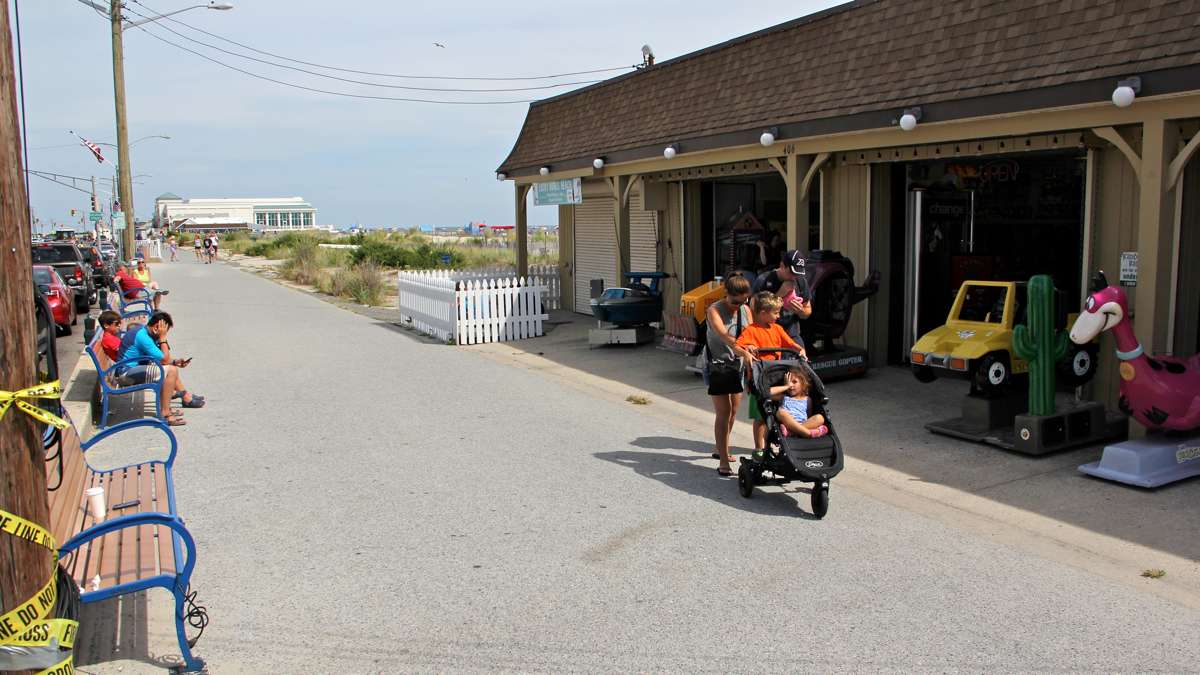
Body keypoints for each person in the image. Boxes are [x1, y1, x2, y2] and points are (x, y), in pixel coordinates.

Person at [736, 292, 807, 453]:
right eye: (775, 312)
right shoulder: (751, 331)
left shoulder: (777, 329)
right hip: (758, 379)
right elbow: (740, 346)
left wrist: (800, 350)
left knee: (777, 414)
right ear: (762, 313)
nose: (778, 315)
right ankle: (759, 447)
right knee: (760, 416)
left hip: (776, 378)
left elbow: (790, 343)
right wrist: (748, 348)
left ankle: (776, 442)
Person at [703, 274, 755, 476]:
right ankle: (723, 460)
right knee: (723, 412)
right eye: (735, 301)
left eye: (744, 301)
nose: (738, 306)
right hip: (717, 364)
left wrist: (751, 346)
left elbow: (750, 334)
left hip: (737, 365)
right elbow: (723, 335)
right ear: (726, 294)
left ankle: (720, 447)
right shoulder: (714, 310)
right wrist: (742, 348)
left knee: (734, 410)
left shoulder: (745, 309)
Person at [118, 311, 205, 425]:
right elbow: (164, 359)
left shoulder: (145, 333)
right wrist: (162, 338)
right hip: (126, 374)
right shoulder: (142, 337)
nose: (165, 333)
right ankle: (165, 413)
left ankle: (184, 396)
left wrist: (175, 361)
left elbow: (163, 359)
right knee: (171, 371)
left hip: (132, 370)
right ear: (156, 327)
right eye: (165, 330)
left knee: (170, 367)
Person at [752, 249, 814, 345]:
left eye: (797, 274)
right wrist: (780, 293)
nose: (794, 277)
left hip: (791, 334)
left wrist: (800, 311)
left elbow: (808, 310)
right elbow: (753, 311)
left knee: (801, 357)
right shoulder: (764, 280)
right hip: (767, 334)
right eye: (791, 273)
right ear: (782, 265)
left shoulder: (801, 281)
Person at [767, 366, 828, 439]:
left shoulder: (808, 399)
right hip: (788, 424)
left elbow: (808, 415)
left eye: (794, 382)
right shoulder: (784, 397)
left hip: (803, 424)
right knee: (781, 412)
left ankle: (792, 432)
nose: (791, 385)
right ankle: (808, 433)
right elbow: (767, 393)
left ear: (803, 383)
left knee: (820, 417)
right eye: (789, 382)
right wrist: (786, 386)